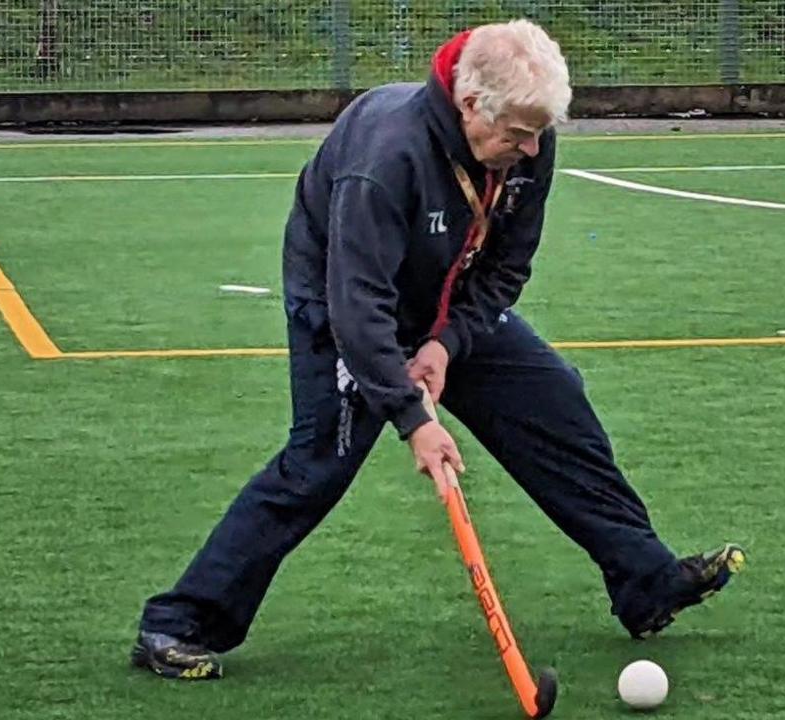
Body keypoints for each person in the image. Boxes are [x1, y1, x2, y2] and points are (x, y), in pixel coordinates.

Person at [129, 19, 746, 681]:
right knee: (318, 464)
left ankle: (645, 581)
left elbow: (508, 265)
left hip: (443, 304)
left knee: (554, 401)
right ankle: (176, 623)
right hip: (339, 304)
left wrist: (445, 345)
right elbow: (358, 305)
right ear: (470, 104)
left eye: (540, 132)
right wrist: (413, 418)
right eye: (518, 134)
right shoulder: (385, 157)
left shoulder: (528, 138)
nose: (532, 148)